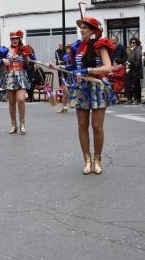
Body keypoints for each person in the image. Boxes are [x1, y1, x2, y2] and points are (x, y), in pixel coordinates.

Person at [47, 18, 116, 174]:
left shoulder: (101, 45)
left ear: (93, 30)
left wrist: (87, 70)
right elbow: (73, 67)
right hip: (81, 88)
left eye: (84, 27)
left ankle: (97, 160)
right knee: (82, 126)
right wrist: (57, 66)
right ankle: (87, 160)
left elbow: (107, 67)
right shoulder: (79, 46)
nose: (81, 30)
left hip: (97, 87)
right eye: (81, 27)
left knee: (97, 127)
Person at [0, 30, 33, 134]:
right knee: (11, 102)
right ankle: (13, 125)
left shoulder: (24, 49)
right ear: (11, 40)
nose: (15, 40)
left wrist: (28, 57)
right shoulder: (5, 50)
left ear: (20, 39)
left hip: (21, 76)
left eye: (16, 38)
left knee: (21, 100)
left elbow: (30, 62)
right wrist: (2, 60)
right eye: (13, 39)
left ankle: (22, 124)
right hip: (9, 76)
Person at [125, 37, 143, 104]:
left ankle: (137, 99)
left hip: (136, 69)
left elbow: (138, 59)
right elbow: (127, 58)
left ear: (136, 43)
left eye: (134, 42)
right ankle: (130, 99)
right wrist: (127, 64)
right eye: (131, 42)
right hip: (130, 69)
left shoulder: (138, 49)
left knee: (136, 84)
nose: (132, 44)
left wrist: (134, 66)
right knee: (129, 84)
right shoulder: (129, 50)